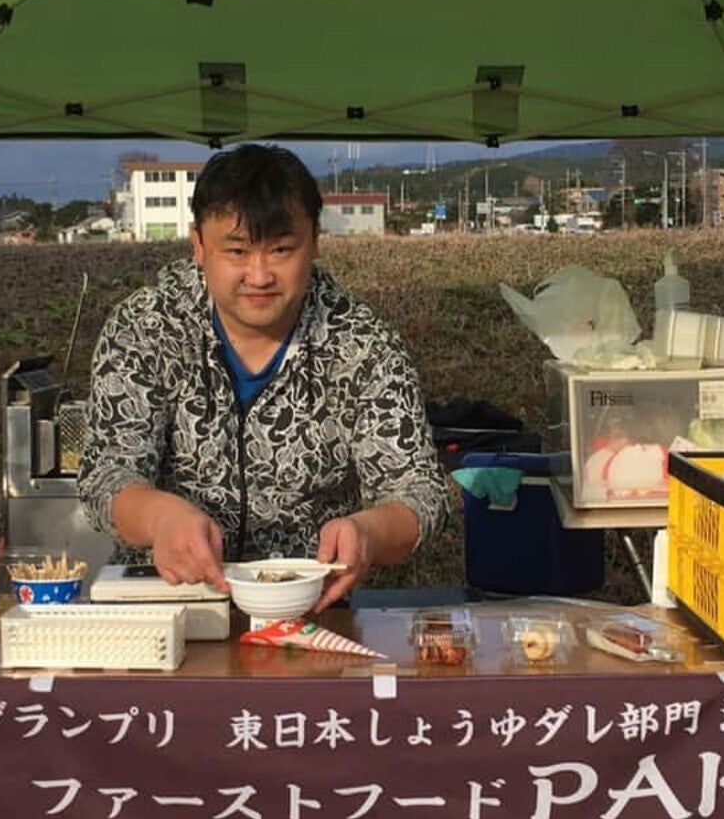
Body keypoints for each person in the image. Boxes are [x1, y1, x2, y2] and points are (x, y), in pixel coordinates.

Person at [78, 143, 450, 609]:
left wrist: (367, 532)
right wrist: (160, 517)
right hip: (167, 601)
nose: (259, 275)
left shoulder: (362, 343)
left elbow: (419, 492)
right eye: (236, 250)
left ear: (315, 240)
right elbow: (106, 474)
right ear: (198, 245)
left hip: (313, 609)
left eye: (280, 249)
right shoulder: (146, 328)